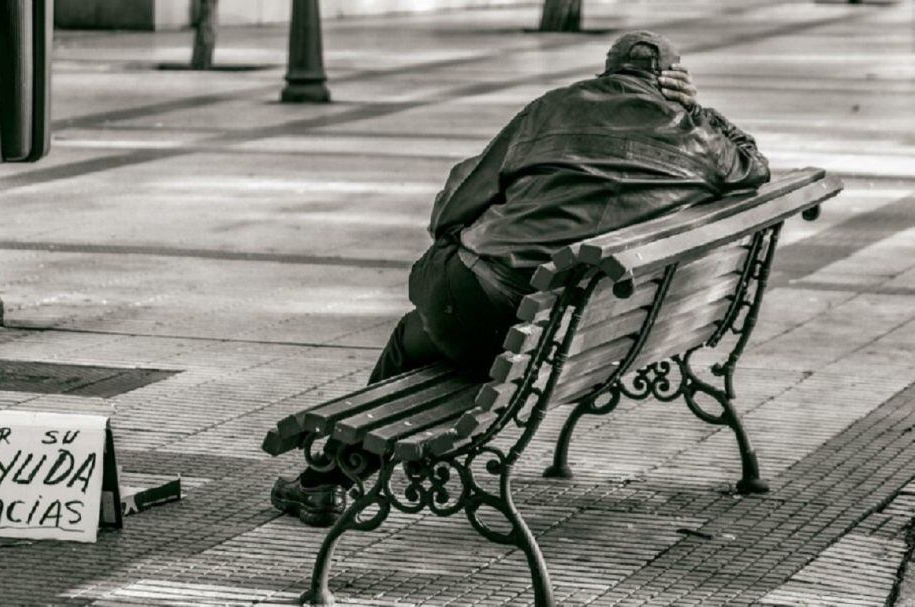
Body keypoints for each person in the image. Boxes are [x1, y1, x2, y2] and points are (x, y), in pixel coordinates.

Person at [271, 31, 771, 527]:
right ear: (673, 83)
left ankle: (327, 480)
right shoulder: (700, 139)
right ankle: (330, 477)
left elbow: (458, 202)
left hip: (494, 308)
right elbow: (754, 164)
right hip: (586, 334)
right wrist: (702, 111)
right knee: (436, 330)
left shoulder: (553, 107)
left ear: (608, 71)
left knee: (423, 318)